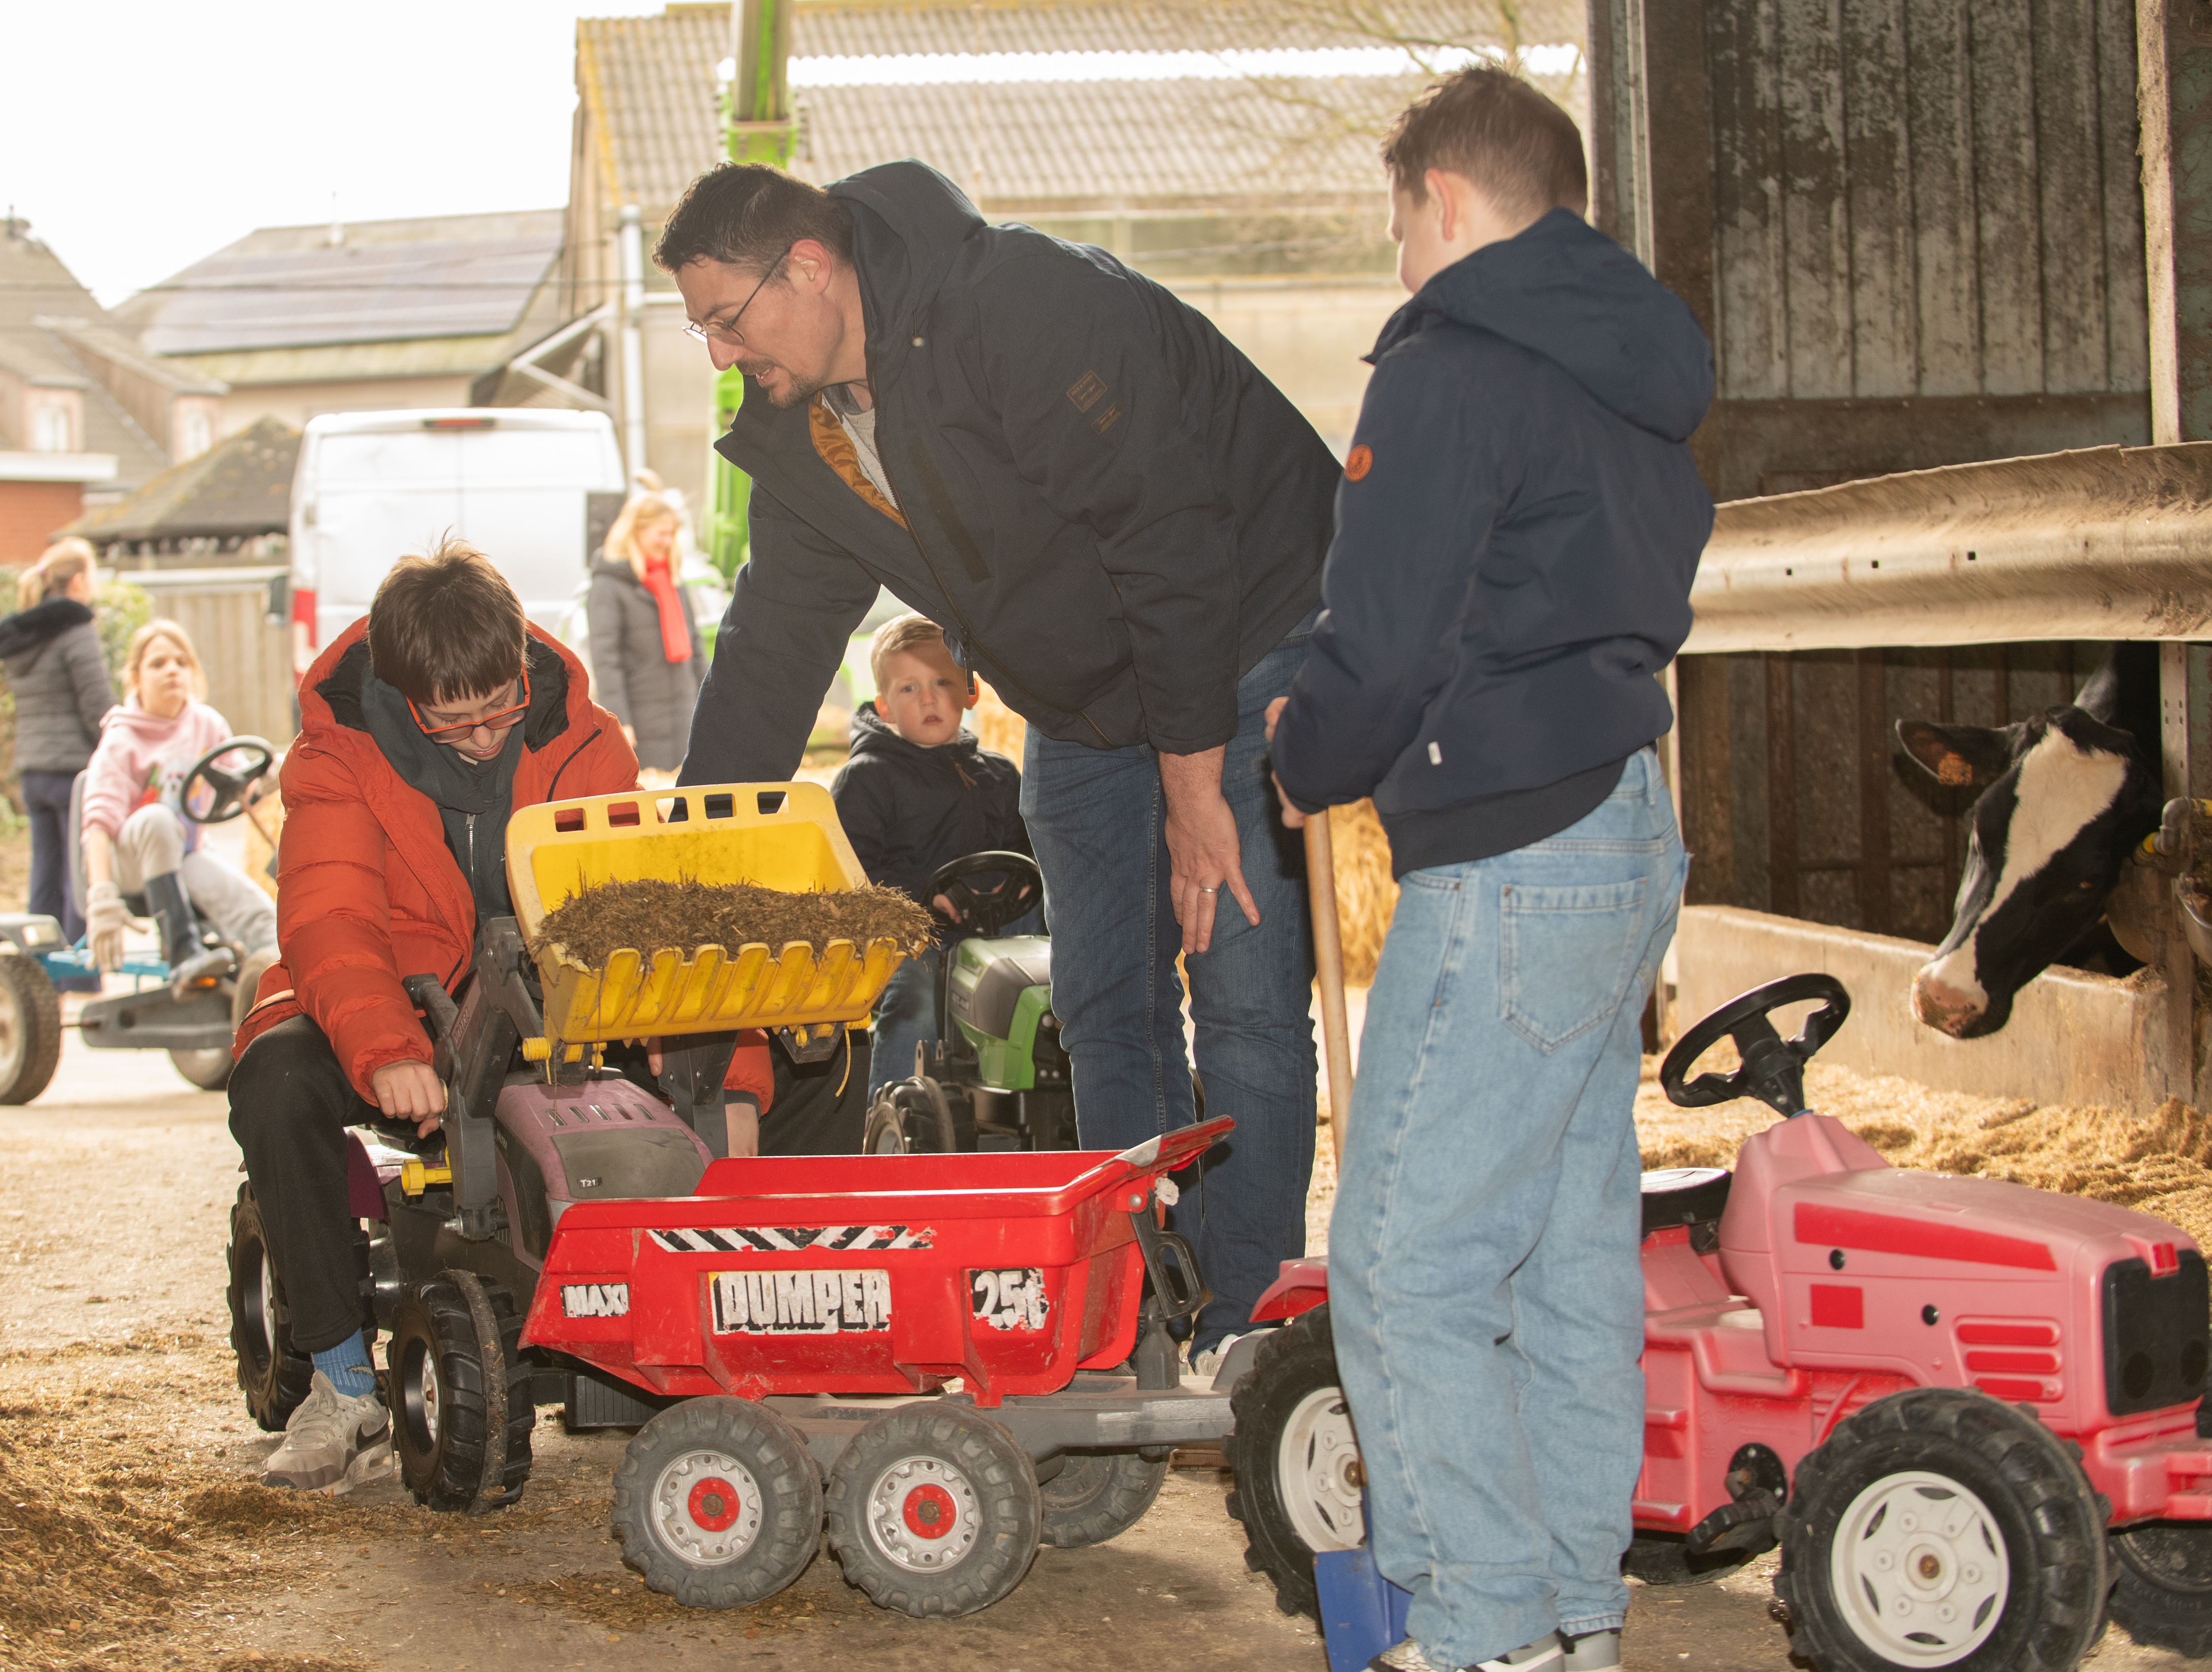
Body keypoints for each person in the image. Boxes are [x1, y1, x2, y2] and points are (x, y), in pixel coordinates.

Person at [655, 158, 1338, 1362]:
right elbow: (770, 654)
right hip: (1078, 689)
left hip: (1238, 628)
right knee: (1101, 999)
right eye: (701, 329)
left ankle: (1242, 1328)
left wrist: (1193, 781)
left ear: (806, 268)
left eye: (726, 318)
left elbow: (1167, 532)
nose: (719, 354)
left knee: (1239, 990)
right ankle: (1134, 1309)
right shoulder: (810, 430)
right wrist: (689, 885)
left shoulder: (1020, 304)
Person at [1266, 69, 1712, 1672]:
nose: (1396, 266)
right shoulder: (1629, 370)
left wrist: (1299, 754)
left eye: (1397, 228)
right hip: (1618, 827)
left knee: (1403, 1259)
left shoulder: (1449, 365)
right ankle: (1573, 1620)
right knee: (1565, 1248)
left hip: (1509, 854)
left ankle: (1476, 1635)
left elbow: (1383, 642)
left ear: (1441, 205)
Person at [225, 538, 765, 1493]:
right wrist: (387, 1046)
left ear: (521, 667)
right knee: (275, 1077)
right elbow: (329, 916)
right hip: (396, 996)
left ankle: (698, 1318)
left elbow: (639, 902)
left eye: (499, 712)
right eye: (456, 723)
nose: (484, 739)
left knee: (758, 1059)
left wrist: (735, 1082)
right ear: (402, 696)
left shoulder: (582, 738)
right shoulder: (336, 752)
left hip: (551, 999)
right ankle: (344, 1381)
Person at [832, 613, 1032, 1100]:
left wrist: (1025, 884)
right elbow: (854, 871)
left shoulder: (999, 775)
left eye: (942, 682)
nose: (927, 698)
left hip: (995, 928)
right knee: (917, 999)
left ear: (971, 693)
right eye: (909, 688)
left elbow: (1022, 849)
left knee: (1044, 979)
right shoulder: (868, 777)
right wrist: (924, 898)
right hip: (908, 935)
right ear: (884, 705)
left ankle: (1037, 1096)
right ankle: (895, 1106)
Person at [78, 621, 281, 994]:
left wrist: (277, 772)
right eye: (158, 664)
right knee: (159, 820)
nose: (172, 669)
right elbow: (98, 826)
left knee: (258, 913)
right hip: (131, 862)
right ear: (136, 677)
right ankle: (183, 951)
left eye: (181, 662)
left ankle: (277, 986)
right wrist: (101, 893)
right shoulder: (121, 738)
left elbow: (241, 785)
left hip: (185, 855)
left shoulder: (207, 724)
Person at [0, 537, 113, 987]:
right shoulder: (76, 632)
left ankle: (39, 969)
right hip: (72, 770)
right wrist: (117, 751)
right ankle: (77, 972)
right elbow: (97, 707)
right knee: (80, 872)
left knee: (45, 872)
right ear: (77, 581)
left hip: (34, 769)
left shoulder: (24, 640)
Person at [583, 488, 708, 772]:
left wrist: (715, 703)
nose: (668, 541)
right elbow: (606, 662)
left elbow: (696, 648)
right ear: (636, 531)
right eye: (661, 533)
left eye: (672, 534)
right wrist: (620, 724)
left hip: (685, 717)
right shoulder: (608, 587)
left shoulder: (673, 580)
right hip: (643, 721)